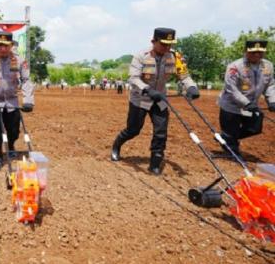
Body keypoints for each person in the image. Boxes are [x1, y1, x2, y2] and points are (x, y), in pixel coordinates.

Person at [109, 27, 200, 175]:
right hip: (141, 99)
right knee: (133, 130)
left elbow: (184, 75)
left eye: (170, 44)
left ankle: (155, 163)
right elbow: (133, 77)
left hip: (160, 99)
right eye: (164, 44)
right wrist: (147, 89)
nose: (167, 47)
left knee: (161, 132)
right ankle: (116, 145)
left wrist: (191, 87)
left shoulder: (175, 56)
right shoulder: (141, 56)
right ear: (154, 41)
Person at [0, 31, 34, 171]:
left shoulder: (20, 61)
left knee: (13, 130)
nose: (3, 48)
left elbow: (26, 80)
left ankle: (10, 146)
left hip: (12, 102)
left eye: (6, 45)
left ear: (11, 46)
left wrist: (28, 101)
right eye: (0, 45)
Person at [217, 39, 275, 156]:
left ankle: (225, 138)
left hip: (251, 107)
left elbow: (270, 85)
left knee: (254, 128)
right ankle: (232, 150)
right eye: (253, 52)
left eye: (260, 52)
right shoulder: (235, 66)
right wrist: (246, 103)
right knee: (232, 136)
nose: (257, 55)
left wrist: (272, 100)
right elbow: (231, 88)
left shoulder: (268, 66)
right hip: (231, 107)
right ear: (246, 51)